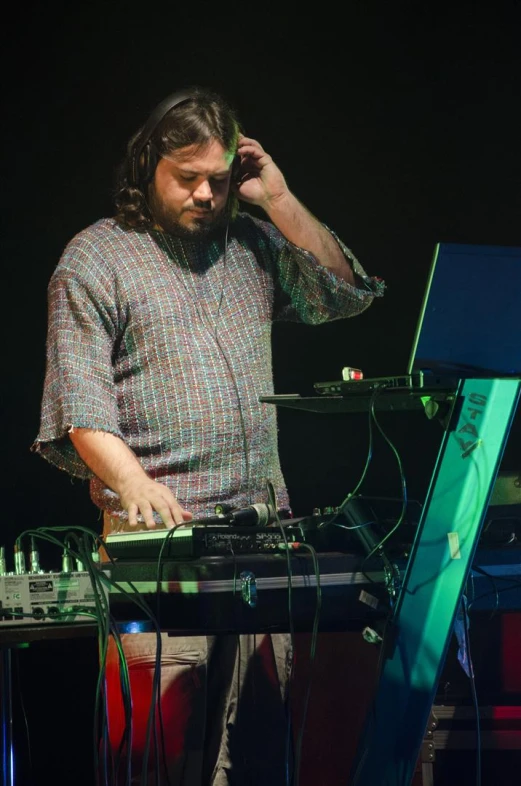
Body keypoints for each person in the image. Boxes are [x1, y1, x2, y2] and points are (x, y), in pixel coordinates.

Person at [31, 85, 385, 785]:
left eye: (217, 181)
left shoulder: (250, 243)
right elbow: (79, 402)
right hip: (159, 551)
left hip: (261, 543)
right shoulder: (96, 258)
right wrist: (132, 482)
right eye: (186, 178)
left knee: (256, 756)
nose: (203, 194)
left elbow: (343, 294)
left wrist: (277, 201)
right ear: (146, 167)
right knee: (162, 759)